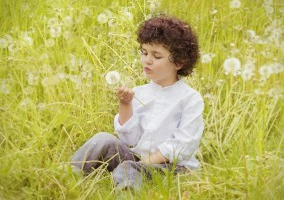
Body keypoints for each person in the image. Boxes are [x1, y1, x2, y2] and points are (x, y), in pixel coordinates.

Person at [70, 15, 204, 190]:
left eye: (156, 56)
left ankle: (127, 192)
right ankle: (66, 175)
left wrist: (144, 162)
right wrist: (125, 104)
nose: (147, 60)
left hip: (173, 167)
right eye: (144, 52)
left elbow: (182, 145)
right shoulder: (140, 92)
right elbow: (130, 139)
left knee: (129, 168)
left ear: (179, 62)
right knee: (103, 139)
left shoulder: (190, 99)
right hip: (139, 160)